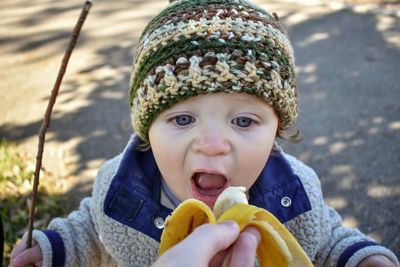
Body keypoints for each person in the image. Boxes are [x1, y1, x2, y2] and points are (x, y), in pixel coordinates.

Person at [10, 0, 399, 266]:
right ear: (147, 126)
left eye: (244, 122)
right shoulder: (119, 189)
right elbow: (92, 228)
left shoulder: (293, 194)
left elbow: (323, 235)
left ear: (277, 129)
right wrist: (53, 249)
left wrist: (360, 256)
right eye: (182, 120)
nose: (212, 145)